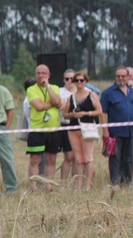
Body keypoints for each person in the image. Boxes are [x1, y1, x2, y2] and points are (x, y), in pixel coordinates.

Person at [62, 71, 102, 190]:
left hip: (88, 128)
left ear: (86, 81)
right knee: (78, 158)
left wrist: (86, 113)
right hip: (74, 129)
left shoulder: (92, 95)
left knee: (88, 158)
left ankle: (87, 185)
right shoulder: (71, 97)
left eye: (81, 80)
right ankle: (78, 185)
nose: (79, 83)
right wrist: (73, 115)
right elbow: (65, 114)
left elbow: (99, 110)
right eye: (77, 80)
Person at [26, 64, 63, 192]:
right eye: (38, 73)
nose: (41, 75)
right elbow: (39, 106)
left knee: (51, 159)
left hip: (53, 130)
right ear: (35, 75)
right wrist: (53, 104)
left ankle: (49, 185)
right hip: (37, 130)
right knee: (35, 159)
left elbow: (58, 102)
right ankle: (34, 187)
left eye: (44, 73)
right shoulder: (31, 90)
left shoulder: (55, 88)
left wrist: (47, 86)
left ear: (49, 75)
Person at [100, 66, 133, 186]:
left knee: (129, 157)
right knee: (115, 158)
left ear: (128, 77)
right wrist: (105, 130)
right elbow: (102, 112)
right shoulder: (108, 93)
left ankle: (127, 182)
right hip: (115, 132)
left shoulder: (131, 92)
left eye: (123, 76)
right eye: (118, 76)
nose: (120, 78)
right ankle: (115, 182)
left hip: (130, 131)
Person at [58, 69, 77, 183]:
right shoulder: (60, 91)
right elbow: (60, 106)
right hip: (65, 126)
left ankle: (76, 183)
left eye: (72, 79)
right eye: (67, 79)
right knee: (69, 156)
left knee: (77, 158)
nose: (70, 81)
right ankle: (63, 183)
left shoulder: (82, 91)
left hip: (78, 126)